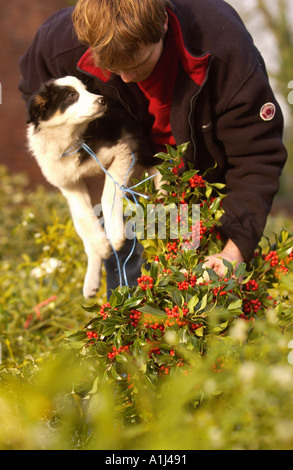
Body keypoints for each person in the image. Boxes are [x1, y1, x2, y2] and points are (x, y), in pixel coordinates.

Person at [19, 0, 287, 296]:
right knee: (129, 306)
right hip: (127, 181)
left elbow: (257, 157)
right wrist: (79, 151)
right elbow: (35, 93)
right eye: (110, 67)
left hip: (194, 184)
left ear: (162, 26)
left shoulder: (225, 50)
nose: (125, 78)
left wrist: (234, 251)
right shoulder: (62, 41)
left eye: (134, 64)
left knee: (194, 305)